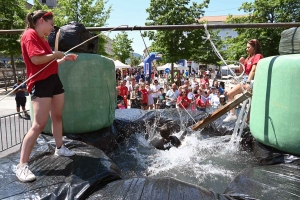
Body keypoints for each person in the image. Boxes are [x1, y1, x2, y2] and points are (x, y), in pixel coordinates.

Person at [16, 10, 78, 183]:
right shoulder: (30, 35)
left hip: (53, 80)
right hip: (40, 83)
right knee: (39, 124)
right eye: (51, 24)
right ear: (42, 21)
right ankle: (22, 166)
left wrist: (63, 59)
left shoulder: (42, 39)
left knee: (57, 116)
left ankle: (60, 147)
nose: (52, 28)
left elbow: (48, 63)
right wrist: (56, 54)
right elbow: (36, 60)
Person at [223, 39, 263, 122]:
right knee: (230, 94)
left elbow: (254, 70)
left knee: (250, 104)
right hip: (245, 79)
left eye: (248, 47)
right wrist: (240, 63)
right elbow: (242, 71)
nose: (246, 49)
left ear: (254, 47)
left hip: (251, 80)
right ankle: (232, 114)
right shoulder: (248, 58)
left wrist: (248, 82)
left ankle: (247, 121)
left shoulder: (257, 56)